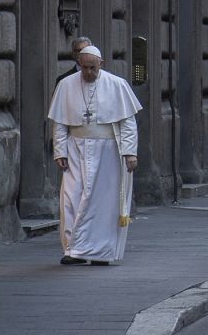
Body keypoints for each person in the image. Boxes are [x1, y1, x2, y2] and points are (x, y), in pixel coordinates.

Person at [47, 45, 142, 265]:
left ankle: (100, 253)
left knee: (103, 203)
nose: (88, 72)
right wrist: (59, 150)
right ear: (79, 64)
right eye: (84, 67)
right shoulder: (66, 85)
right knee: (71, 199)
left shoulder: (117, 85)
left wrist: (130, 153)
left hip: (107, 151)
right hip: (76, 149)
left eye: (92, 68)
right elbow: (60, 122)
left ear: (102, 64)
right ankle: (73, 250)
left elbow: (128, 123)